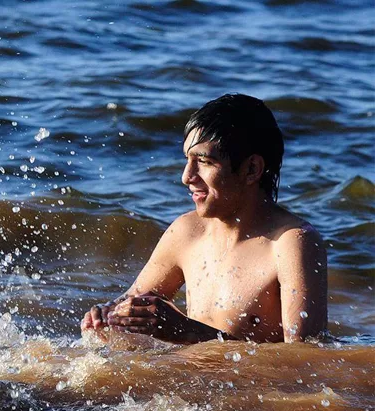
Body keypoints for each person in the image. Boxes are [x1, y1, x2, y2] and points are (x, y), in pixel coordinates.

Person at [81, 94, 327, 344]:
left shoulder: (291, 244)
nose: (186, 177)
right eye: (187, 160)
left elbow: (305, 362)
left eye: (204, 162)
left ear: (252, 169)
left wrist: (186, 331)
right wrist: (105, 317)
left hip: (252, 384)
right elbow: (132, 300)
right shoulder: (186, 231)